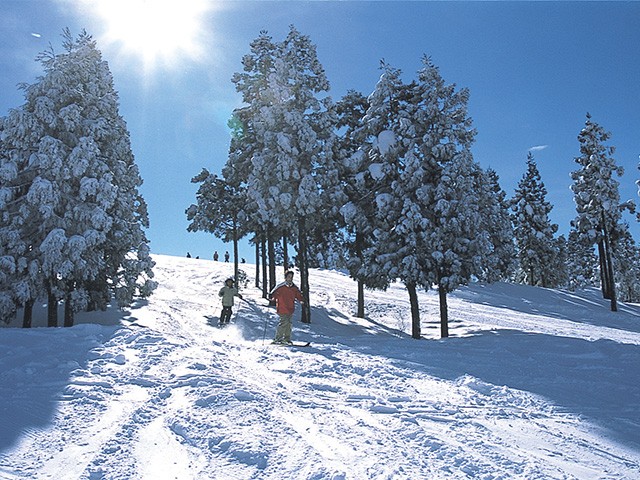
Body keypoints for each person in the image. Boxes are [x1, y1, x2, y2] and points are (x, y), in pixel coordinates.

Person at [269, 270, 304, 345]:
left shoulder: (294, 287)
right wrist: (272, 297)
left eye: (291, 277)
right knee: (284, 322)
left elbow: (298, 294)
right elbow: (274, 293)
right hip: (282, 308)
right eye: (289, 277)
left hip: (290, 308)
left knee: (289, 324)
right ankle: (278, 338)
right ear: (285, 278)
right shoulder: (281, 286)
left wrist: (301, 300)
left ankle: (287, 339)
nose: (290, 278)